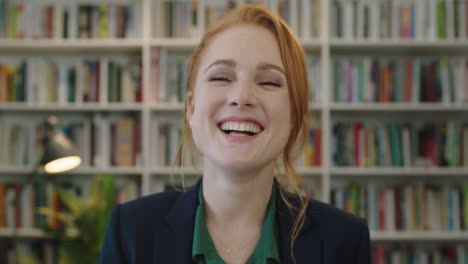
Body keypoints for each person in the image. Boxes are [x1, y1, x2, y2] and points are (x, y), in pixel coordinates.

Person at [100, 5, 370, 264]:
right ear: (191, 108)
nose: (241, 98)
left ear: (294, 117)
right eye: (221, 78)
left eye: (268, 82)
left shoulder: (344, 240)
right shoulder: (131, 231)